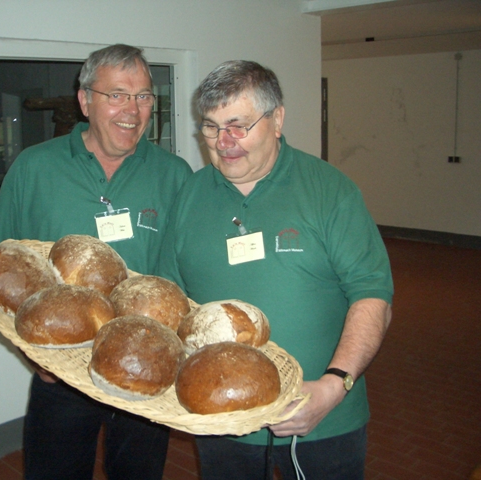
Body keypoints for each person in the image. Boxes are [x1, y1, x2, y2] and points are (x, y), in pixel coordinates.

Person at [156, 60, 393, 480]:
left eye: (238, 125)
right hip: (221, 422)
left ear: (277, 119)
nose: (223, 142)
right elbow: (170, 298)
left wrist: (334, 385)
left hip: (322, 420)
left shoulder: (329, 190)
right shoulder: (191, 194)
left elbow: (372, 293)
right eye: (210, 127)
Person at [0, 44, 193, 480]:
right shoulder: (34, 169)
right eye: (117, 94)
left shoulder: (174, 176)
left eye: (143, 96)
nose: (133, 110)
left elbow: (184, 271)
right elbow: (0, 271)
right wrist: (34, 359)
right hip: (61, 369)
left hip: (143, 368)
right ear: (85, 100)